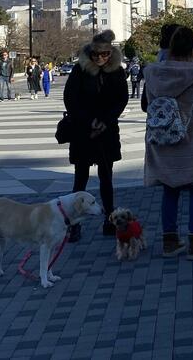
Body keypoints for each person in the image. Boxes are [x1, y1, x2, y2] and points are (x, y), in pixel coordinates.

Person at [142, 26, 193, 260]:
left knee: (170, 189)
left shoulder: (153, 73)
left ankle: (169, 242)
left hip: (162, 140)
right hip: (192, 138)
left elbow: (146, 107)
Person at [64, 30, 129, 240]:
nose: (100, 58)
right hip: (83, 129)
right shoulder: (79, 70)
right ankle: (73, 224)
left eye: (106, 54)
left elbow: (121, 100)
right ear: (90, 53)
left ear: (112, 53)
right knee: (80, 179)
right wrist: (89, 121)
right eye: (96, 55)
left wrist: (106, 120)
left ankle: (109, 219)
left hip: (107, 130)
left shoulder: (117, 72)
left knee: (106, 178)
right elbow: (70, 99)